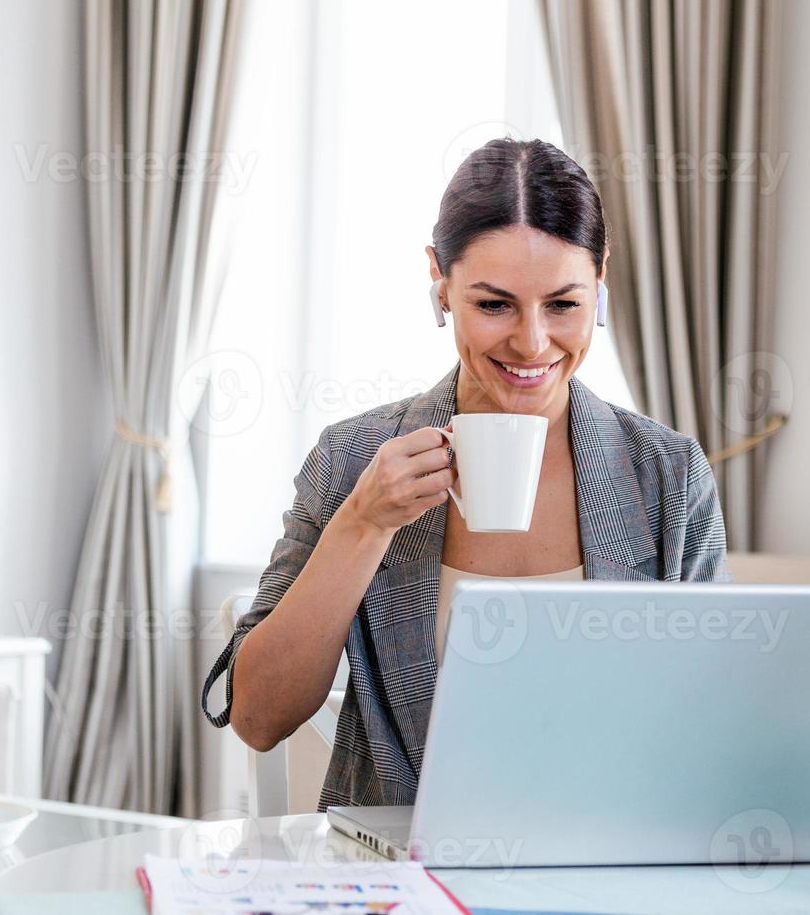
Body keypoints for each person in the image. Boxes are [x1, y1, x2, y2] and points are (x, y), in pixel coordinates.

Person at [201, 138, 731, 809]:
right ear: (440, 280)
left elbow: (715, 720)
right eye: (494, 305)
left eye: (563, 305)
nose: (533, 343)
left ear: (601, 279)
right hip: (404, 878)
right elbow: (258, 718)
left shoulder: (667, 477)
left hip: (609, 867)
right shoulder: (353, 458)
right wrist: (362, 525)